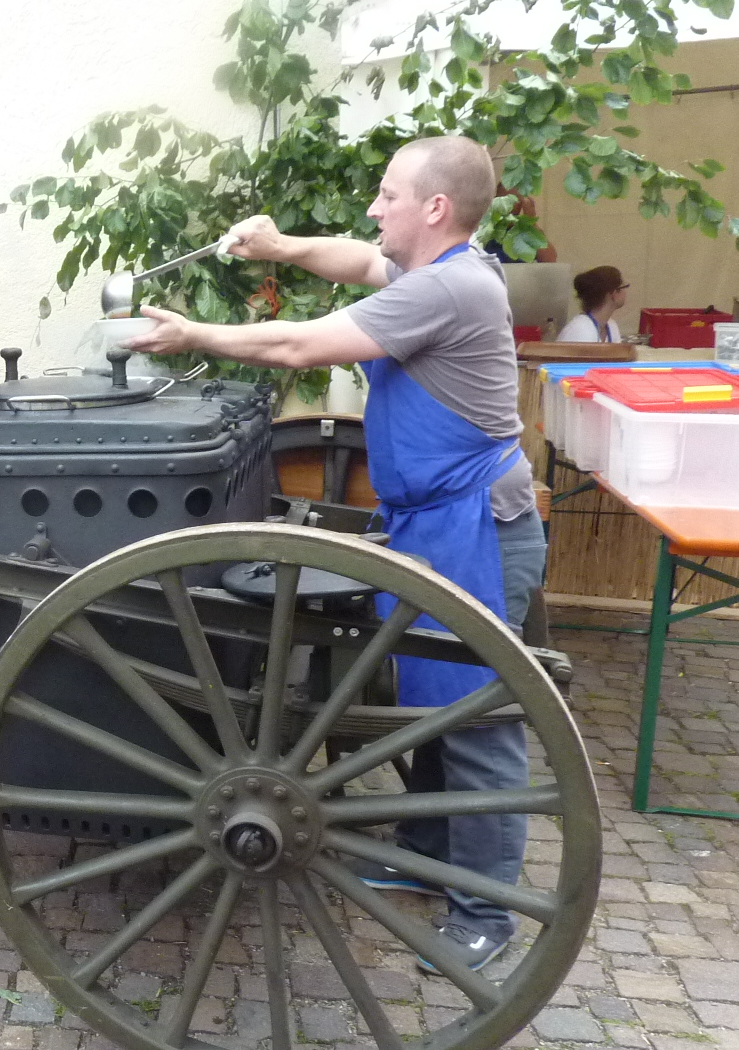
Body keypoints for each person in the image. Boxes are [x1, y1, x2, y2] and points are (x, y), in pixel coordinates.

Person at [123, 134, 546, 975]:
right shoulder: (439, 271)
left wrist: (193, 333)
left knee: (475, 719)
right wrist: (280, 246)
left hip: (475, 530)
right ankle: (429, 854)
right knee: (433, 704)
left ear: (435, 208)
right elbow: (356, 260)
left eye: (388, 194)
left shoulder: (448, 288)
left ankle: (485, 912)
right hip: (437, 524)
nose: (374, 208)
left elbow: (298, 347)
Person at [557, 265, 628, 343]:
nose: (625, 292)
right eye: (624, 287)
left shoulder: (611, 326)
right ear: (614, 293)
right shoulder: (580, 330)